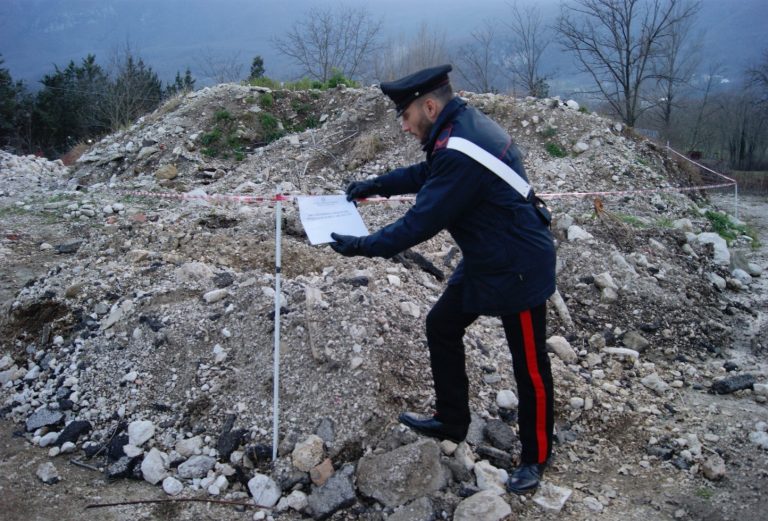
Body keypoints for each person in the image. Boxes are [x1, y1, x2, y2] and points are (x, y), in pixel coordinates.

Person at [329, 64, 556, 494]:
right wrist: (372, 186)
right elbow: (425, 175)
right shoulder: (455, 129)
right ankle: (452, 420)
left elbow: (419, 223)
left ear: (430, 106)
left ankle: (537, 455)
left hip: (518, 263)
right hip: (489, 253)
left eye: (406, 116)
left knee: (529, 365)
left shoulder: (457, 148)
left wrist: (361, 244)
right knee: (442, 325)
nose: (402, 126)